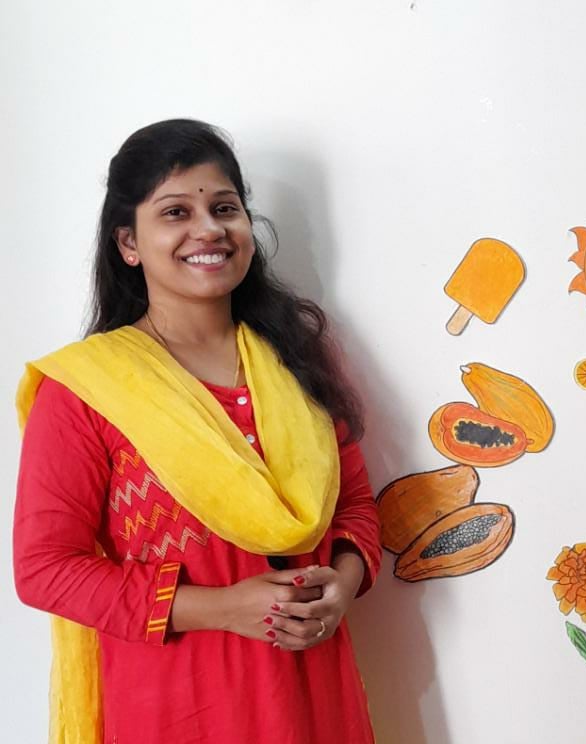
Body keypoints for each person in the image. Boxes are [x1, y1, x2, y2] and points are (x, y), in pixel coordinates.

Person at [12, 119, 382, 744]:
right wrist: (225, 608)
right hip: (179, 707)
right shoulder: (88, 389)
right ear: (128, 243)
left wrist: (341, 588)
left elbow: (355, 506)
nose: (208, 229)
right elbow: (45, 568)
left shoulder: (293, 361)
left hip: (315, 695)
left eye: (225, 208)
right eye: (176, 212)